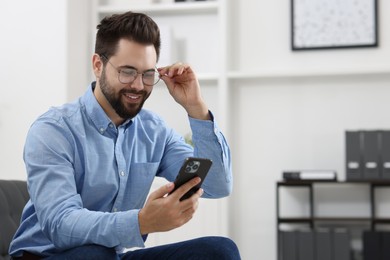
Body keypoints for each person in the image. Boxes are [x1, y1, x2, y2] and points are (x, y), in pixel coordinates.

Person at [9, 11, 240, 260]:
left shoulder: (153, 131)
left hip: (109, 256)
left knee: (220, 251)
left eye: (148, 74)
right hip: (47, 256)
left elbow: (217, 185)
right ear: (98, 65)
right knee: (93, 255)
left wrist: (196, 107)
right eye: (127, 72)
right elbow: (61, 225)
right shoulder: (53, 130)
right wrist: (141, 222)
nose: (139, 86)